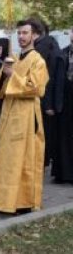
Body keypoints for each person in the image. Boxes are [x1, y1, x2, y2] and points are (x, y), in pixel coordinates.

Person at [0, 20, 49, 214]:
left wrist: (13, 76)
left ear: (34, 35)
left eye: (25, 33)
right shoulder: (12, 57)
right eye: (19, 33)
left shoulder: (38, 60)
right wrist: (4, 74)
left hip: (27, 115)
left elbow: (37, 88)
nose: (21, 37)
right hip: (9, 112)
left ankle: (22, 201)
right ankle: (3, 197)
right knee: (6, 157)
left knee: (24, 158)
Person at [30, 19, 65, 167]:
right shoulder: (52, 44)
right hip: (49, 100)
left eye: (26, 32)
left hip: (43, 99)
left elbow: (47, 78)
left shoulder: (42, 48)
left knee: (41, 132)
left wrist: (49, 104)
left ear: (35, 33)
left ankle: (40, 160)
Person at [51, 27, 73, 183]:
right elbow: (55, 80)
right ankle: (64, 173)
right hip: (65, 102)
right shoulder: (63, 53)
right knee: (64, 137)